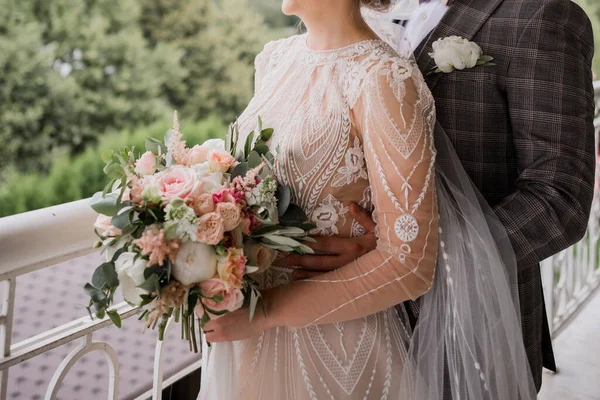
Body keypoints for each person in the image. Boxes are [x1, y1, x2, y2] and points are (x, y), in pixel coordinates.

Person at [198, 0, 548, 398]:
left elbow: (411, 263)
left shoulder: (384, 79)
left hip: (335, 348)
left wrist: (267, 313)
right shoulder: (274, 59)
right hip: (247, 340)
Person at [287, 0, 597, 394]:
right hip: (344, 331)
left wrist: (404, 252)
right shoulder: (357, 12)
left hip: (471, 331)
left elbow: (559, 199)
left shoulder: (540, 15)